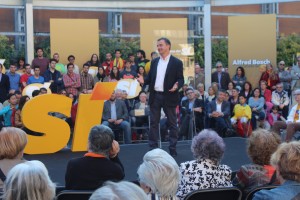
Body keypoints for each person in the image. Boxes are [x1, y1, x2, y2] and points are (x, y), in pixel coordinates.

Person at [137, 37, 184, 156]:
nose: (159, 47)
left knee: (173, 124)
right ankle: (153, 148)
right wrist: (143, 80)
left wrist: (177, 85)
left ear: (168, 46)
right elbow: (150, 78)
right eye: (158, 45)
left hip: (169, 96)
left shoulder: (177, 62)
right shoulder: (154, 62)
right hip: (155, 96)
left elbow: (181, 78)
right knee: (153, 123)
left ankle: (172, 148)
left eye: (161, 45)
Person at [177, 129, 232, 199]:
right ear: (220, 150)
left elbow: (178, 194)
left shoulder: (186, 168)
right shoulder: (226, 171)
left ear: (196, 147)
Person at [65, 125, 124, 190]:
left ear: (89, 143)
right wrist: (114, 157)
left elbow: (68, 188)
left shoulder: (73, 164)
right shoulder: (115, 169)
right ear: (112, 146)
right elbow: (121, 176)